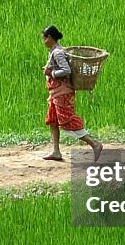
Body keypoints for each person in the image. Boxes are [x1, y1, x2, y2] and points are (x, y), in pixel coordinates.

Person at [41, 25, 103, 162]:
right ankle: (56, 151)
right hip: (55, 93)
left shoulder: (57, 53)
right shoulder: (54, 51)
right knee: (53, 120)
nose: (43, 41)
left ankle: (94, 144)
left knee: (66, 120)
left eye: (44, 38)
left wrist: (51, 73)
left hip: (62, 93)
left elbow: (66, 70)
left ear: (50, 38)